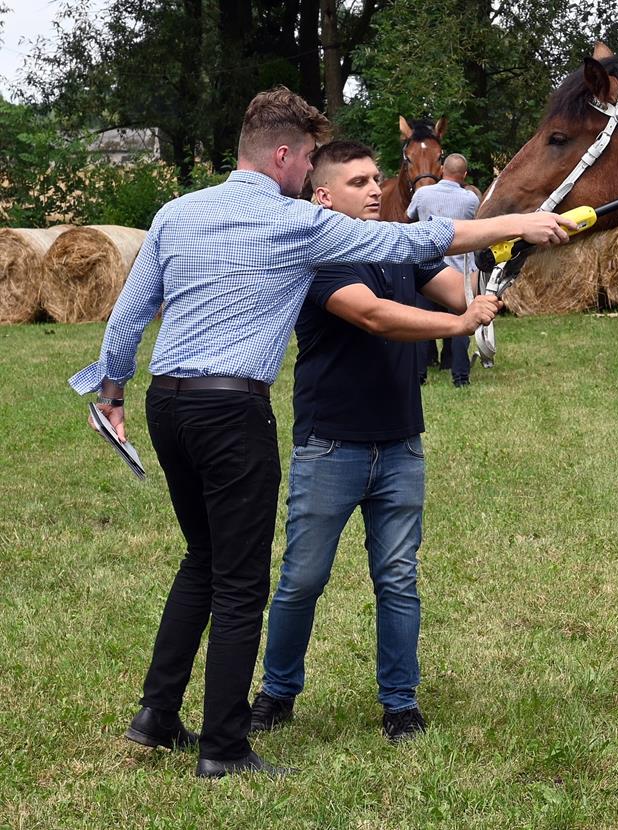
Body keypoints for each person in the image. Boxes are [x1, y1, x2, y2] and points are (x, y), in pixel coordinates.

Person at [68, 86, 574, 779]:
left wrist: (112, 391)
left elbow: (130, 312)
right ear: (283, 155)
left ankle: (156, 715)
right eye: (308, 159)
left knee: (202, 561)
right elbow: (416, 239)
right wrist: (519, 222)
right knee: (242, 584)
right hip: (232, 411)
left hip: (168, 406)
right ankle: (224, 748)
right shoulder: (295, 222)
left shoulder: (176, 213)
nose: (311, 173)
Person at [248, 140, 495, 743]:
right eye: (358, 182)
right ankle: (277, 692)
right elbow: (376, 316)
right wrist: (459, 324)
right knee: (303, 579)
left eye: (377, 178)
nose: (375, 189)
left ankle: (400, 704)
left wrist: (495, 275)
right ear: (323, 196)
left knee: (398, 579)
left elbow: (458, 293)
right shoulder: (317, 255)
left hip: (401, 444)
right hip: (330, 446)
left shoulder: (399, 248)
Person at [408, 153, 481, 387]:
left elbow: (409, 217)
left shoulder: (422, 194)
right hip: (459, 275)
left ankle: (418, 375)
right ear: (464, 175)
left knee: (422, 324)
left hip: (427, 271)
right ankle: (460, 377)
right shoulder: (470, 199)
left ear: (441, 170)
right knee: (462, 325)